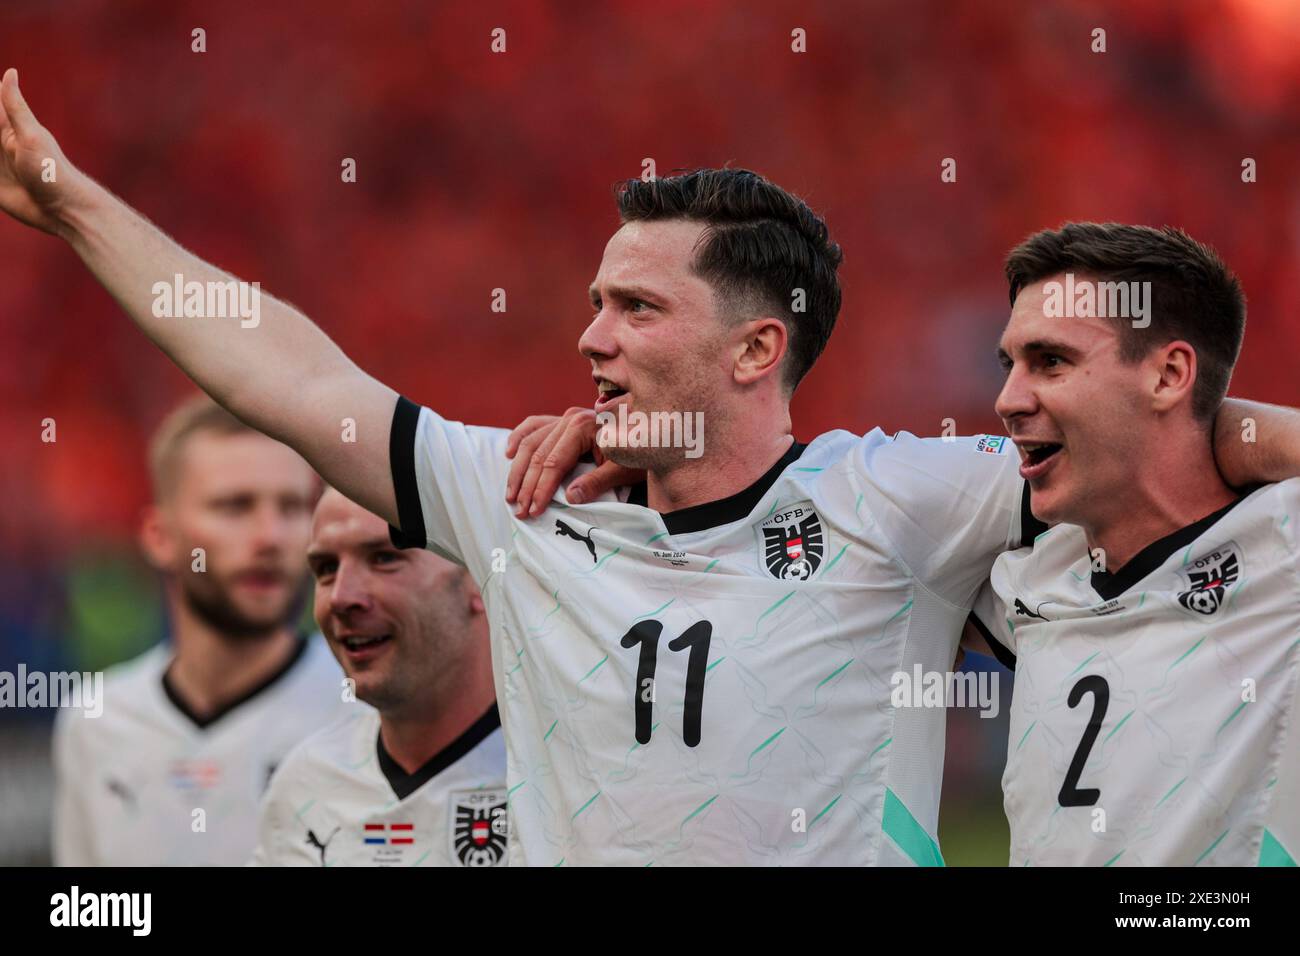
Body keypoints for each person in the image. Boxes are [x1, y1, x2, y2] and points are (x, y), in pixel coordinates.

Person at [5, 71, 1291, 865]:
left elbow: (1159, 436)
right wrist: (72, 203)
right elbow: (285, 373)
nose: (590, 336)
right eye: (592, 301)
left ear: (755, 347)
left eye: (634, 308)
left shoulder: (900, 503)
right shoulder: (523, 505)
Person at [967, 223, 1300, 865]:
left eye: (1051, 361)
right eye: (1009, 365)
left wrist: (1233, 428)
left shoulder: (1283, 545)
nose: (1006, 400)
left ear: (1170, 374)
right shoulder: (1022, 580)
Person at [52, 395, 347, 865]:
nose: (270, 536)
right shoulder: (97, 722)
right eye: (235, 506)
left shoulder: (364, 712)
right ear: (160, 538)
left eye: (291, 507)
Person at [253, 489, 505, 866]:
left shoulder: (571, 776)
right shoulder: (306, 784)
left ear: (479, 576)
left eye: (384, 558)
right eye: (325, 568)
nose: (341, 597)